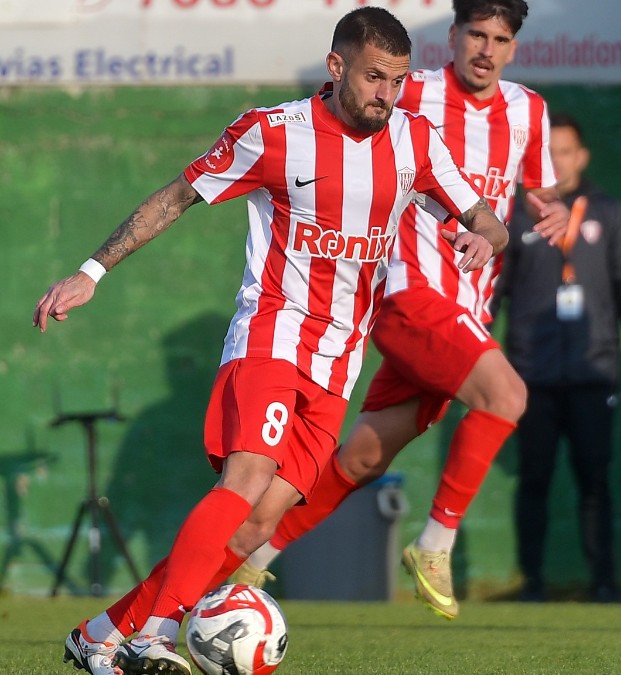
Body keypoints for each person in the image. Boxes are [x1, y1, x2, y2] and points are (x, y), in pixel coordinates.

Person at [39, 8, 507, 675]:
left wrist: (480, 236)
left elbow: (490, 220)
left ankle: (104, 631)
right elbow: (176, 197)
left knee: (257, 526)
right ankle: (157, 637)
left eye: (398, 82)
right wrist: (90, 271)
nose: (386, 95)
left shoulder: (415, 140)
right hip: (272, 333)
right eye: (375, 78)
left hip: (339, 361)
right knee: (248, 475)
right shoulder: (274, 134)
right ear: (337, 66)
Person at [229, 0, 568, 621]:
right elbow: (339, 120)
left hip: (468, 306)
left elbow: (539, 193)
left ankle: (245, 560)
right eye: (476, 34)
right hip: (407, 290)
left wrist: (557, 210)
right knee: (508, 397)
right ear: (454, 35)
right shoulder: (409, 95)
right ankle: (435, 543)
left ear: (514, 47)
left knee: (362, 457)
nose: (485, 49)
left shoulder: (530, 112)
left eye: (499, 38)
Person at [491, 112, 621, 603]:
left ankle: (604, 583)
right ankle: (533, 583)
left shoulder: (608, 213)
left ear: (581, 157)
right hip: (531, 374)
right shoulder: (517, 213)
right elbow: (492, 292)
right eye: (548, 152)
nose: (557, 160)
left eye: (565, 151)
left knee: (594, 481)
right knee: (534, 479)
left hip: (592, 370)